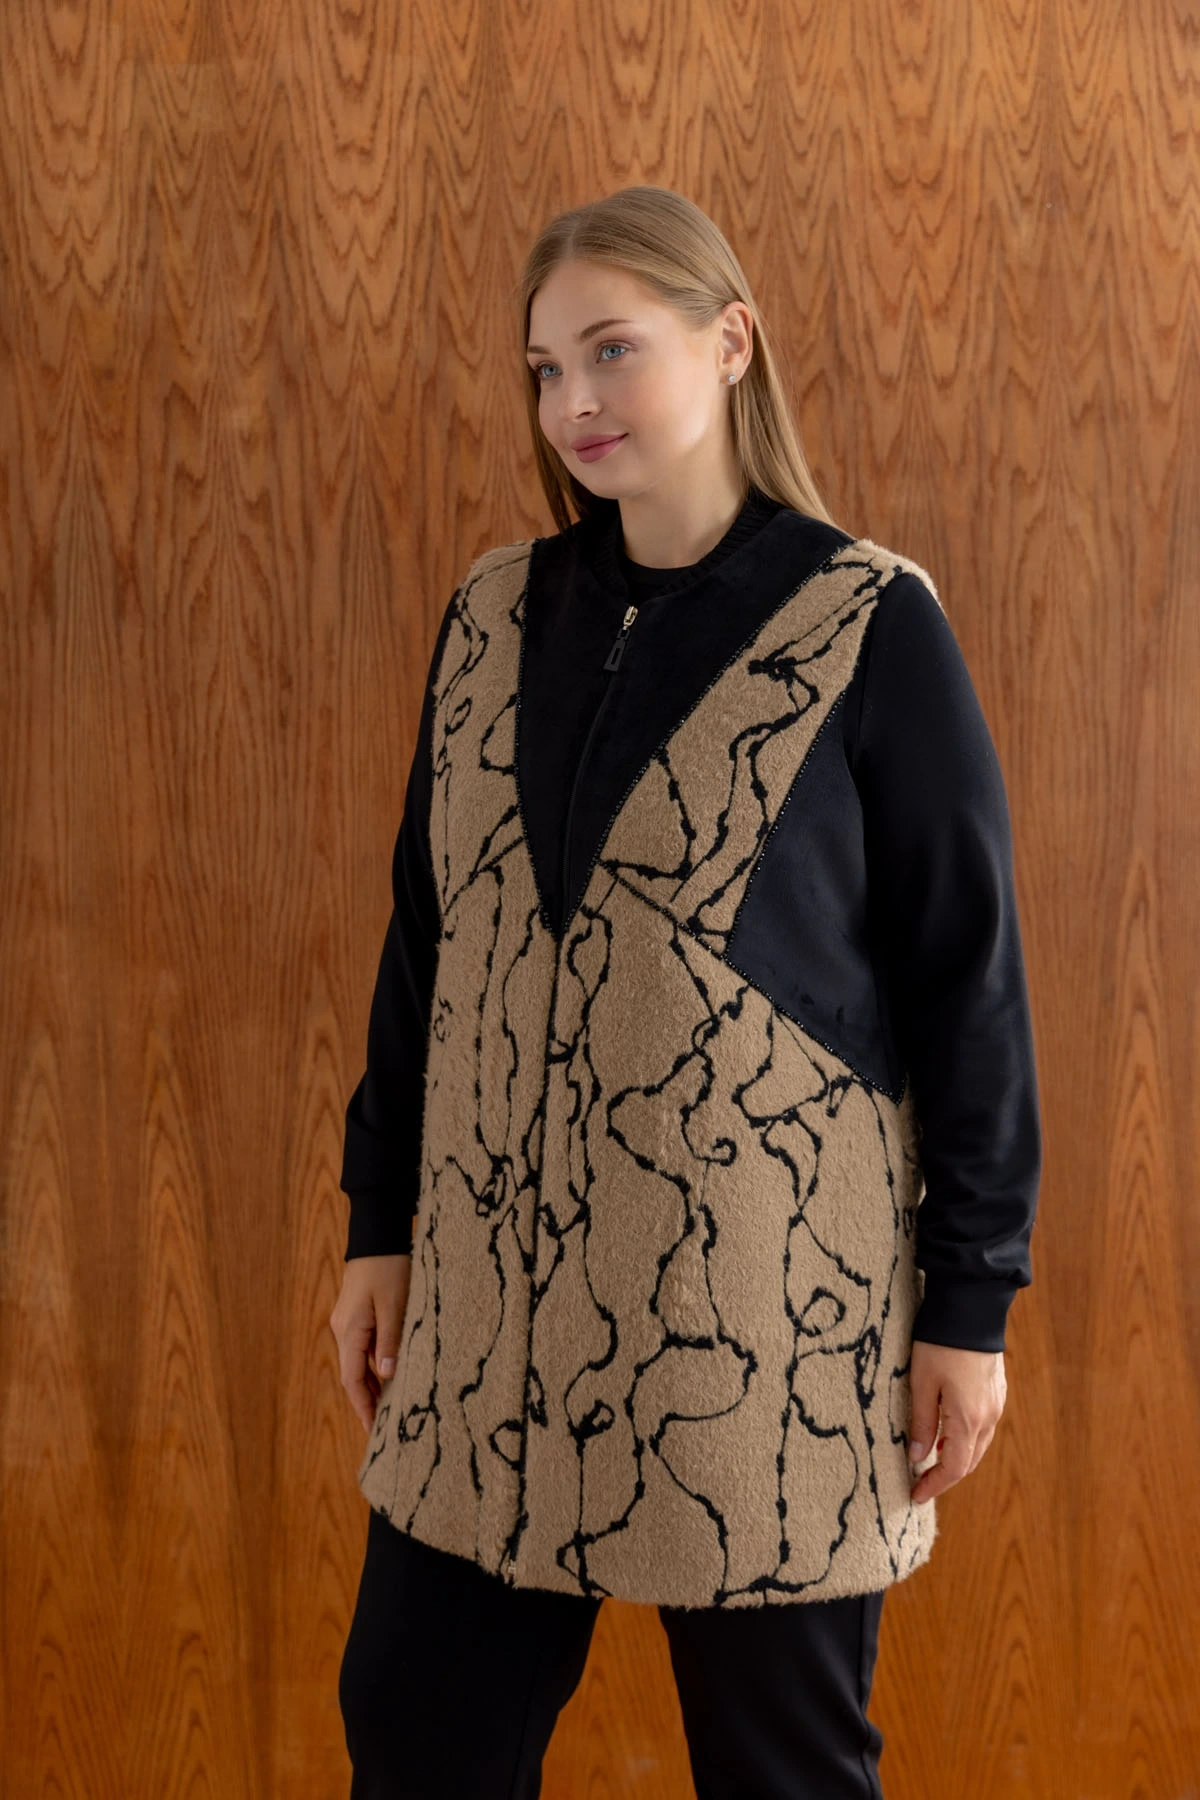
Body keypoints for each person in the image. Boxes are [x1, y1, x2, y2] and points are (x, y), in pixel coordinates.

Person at [329, 185, 1042, 1799]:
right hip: (489, 1320)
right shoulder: (492, 616)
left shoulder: (870, 624)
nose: (572, 401)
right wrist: (381, 1219)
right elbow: (429, 944)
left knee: (781, 1768)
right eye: (544, 368)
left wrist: (970, 1304)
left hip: (763, 1326)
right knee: (414, 1726)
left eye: (612, 351)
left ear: (730, 343)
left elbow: (968, 982)